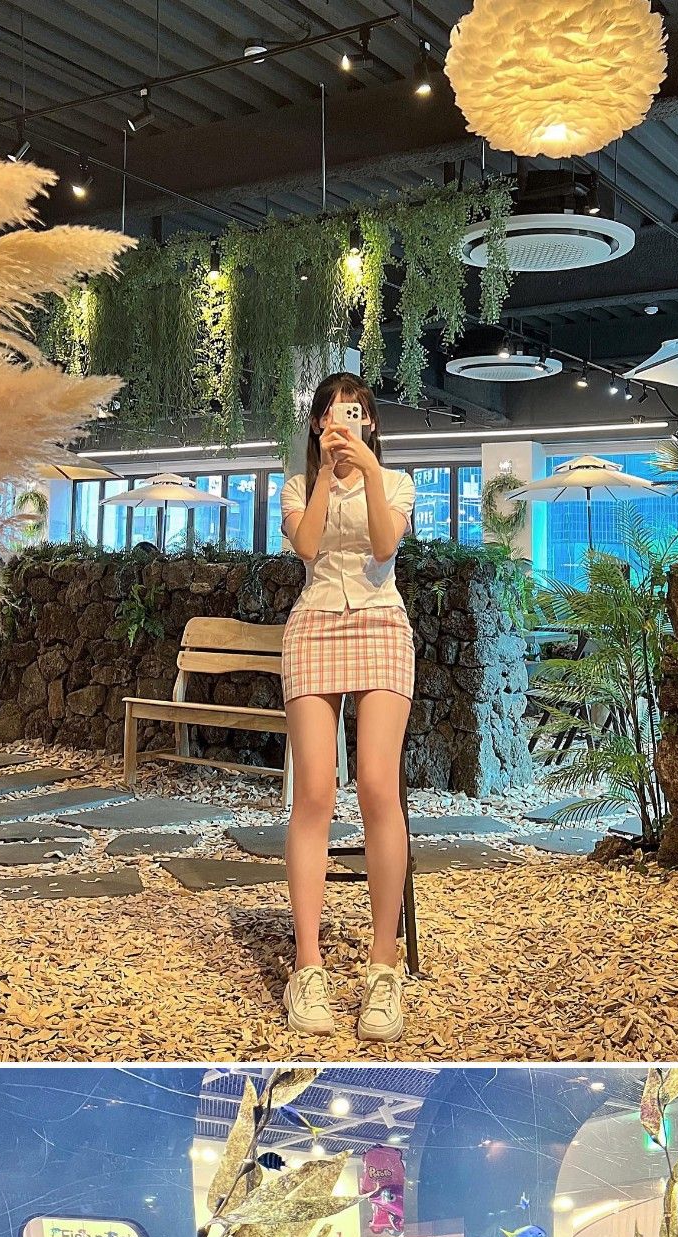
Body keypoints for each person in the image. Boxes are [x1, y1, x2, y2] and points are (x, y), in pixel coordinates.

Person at [279, 373, 416, 1046]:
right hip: (313, 626)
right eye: (332, 413)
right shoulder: (295, 486)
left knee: (377, 785)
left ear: (370, 423)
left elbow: (385, 547)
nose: (342, 421)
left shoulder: (397, 484)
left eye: (354, 412)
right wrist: (326, 480)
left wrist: (366, 471)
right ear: (316, 425)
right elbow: (307, 548)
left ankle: (383, 969)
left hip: (381, 623)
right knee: (314, 791)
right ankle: (307, 967)